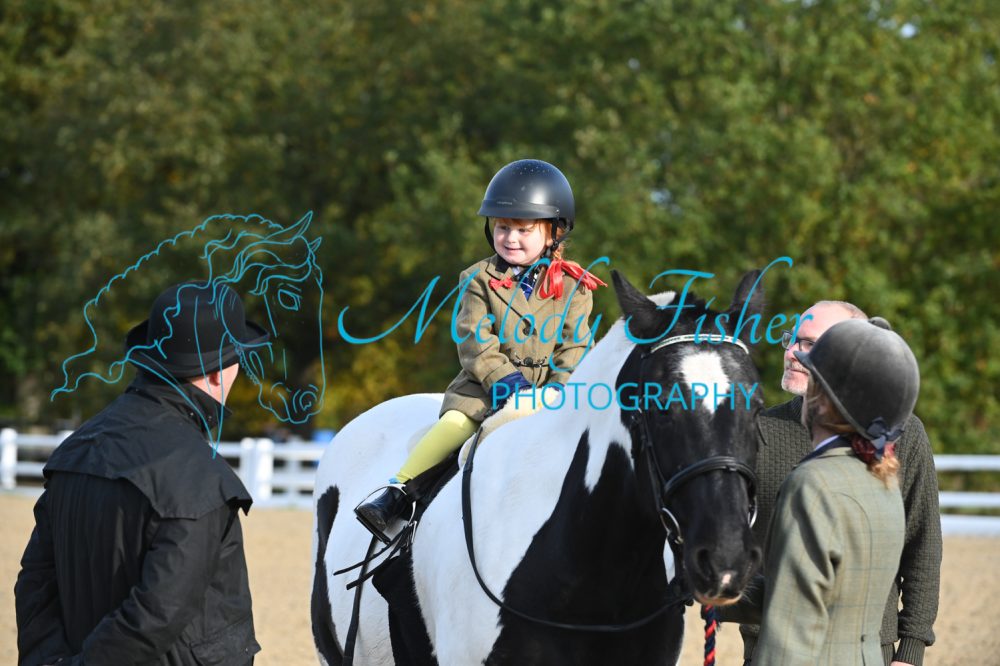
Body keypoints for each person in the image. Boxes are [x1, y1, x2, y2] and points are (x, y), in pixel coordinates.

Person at [16, 281, 267, 665]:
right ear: (219, 372)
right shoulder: (201, 479)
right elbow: (159, 612)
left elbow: (35, 584)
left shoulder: (75, 450)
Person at [354, 159, 605, 542]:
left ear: (553, 233)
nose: (511, 238)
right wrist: (506, 381)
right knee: (454, 427)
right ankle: (398, 492)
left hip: (551, 397)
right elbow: (475, 341)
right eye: (503, 227)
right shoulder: (476, 279)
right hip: (483, 391)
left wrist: (558, 388)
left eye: (524, 230)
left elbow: (576, 345)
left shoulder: (575, 286)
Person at [741, 301, 941, 666]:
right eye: (791, 339)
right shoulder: (757, 432)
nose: (791, 352)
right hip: (774, 648)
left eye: (809, 344)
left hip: (841, 650)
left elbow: (922, 542)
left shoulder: (900, 436)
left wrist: (911, 650)